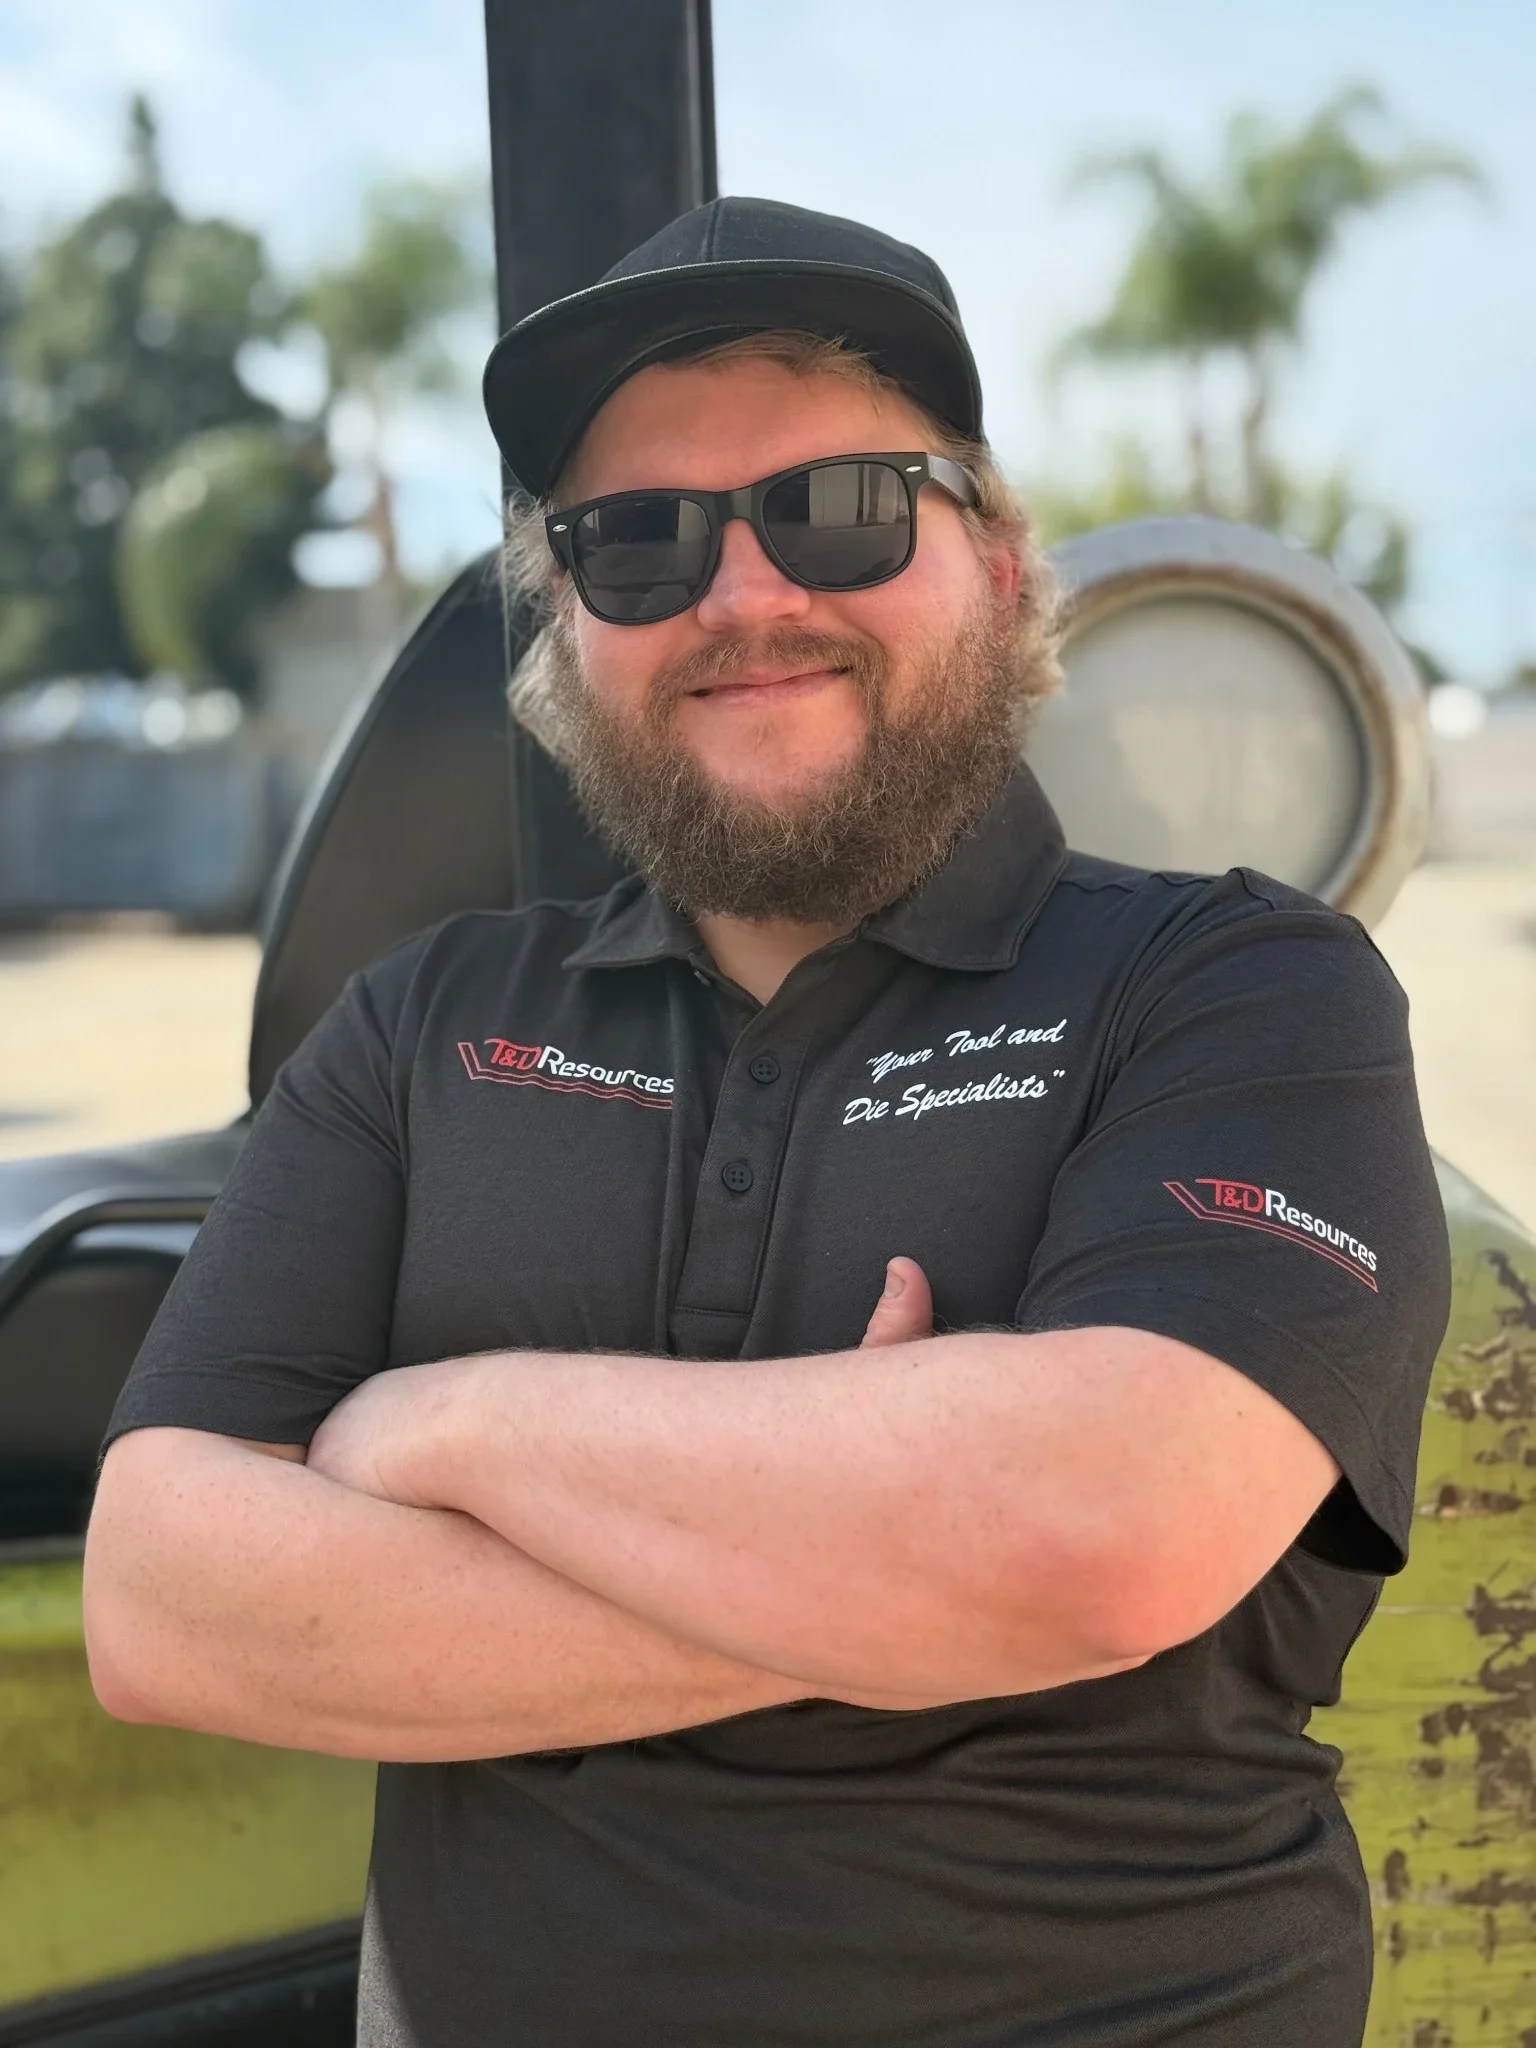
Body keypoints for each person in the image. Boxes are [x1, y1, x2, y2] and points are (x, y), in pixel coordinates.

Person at [84, 198, 1451, 2048]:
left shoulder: (1236, 986)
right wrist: (893, 1568)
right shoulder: (425, 1019)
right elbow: (169, 1604)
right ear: (566, 624)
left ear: (997, 557)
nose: (742, 594)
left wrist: (455, 1422)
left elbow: (1098, 1535)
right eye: (635, 543)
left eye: (841, 508)